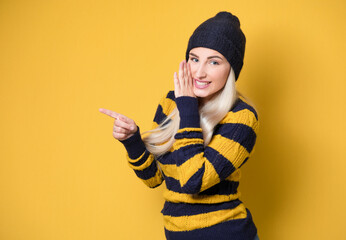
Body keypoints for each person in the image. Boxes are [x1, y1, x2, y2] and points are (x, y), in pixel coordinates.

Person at [100, 11, 260, 240]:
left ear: (231, 69)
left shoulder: (241, 117)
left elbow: (193, 181)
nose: (199, 72)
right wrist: (132, 140)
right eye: (194, 59)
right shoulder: (171, 103)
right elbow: (153, 178)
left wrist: (188, 108)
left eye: (214, 62)